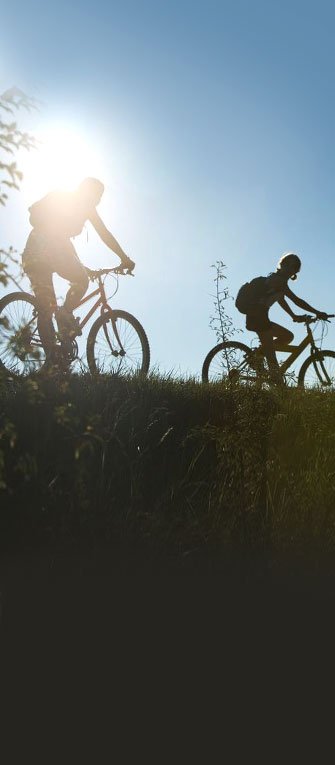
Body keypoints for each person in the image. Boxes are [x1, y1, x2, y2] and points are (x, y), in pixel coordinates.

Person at [22, 177, 134, 361]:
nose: (98, 199)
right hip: (45, 250)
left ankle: (53, 360)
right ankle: (64, 315)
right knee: (79, 282)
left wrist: (81, 265)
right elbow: (103, 234)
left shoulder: (74, 204)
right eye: (98, 194)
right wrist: (124, 258)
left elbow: (61, 240)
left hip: (36, 252)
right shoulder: (77, 204)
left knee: (47, 306)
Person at [242, 253, 328, 382]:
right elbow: (297, 301)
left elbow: (282, 301)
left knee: (288, 337)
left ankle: (259, 354)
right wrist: (317, 312)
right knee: (274, 368)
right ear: (281, 265)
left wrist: (294, 316)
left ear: (295, 271)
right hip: (257, 317)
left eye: (293, 267)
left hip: (261, 317)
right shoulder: (277, 281)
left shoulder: (278, 284)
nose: (290, 268)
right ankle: (277, 387)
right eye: (288, 264)